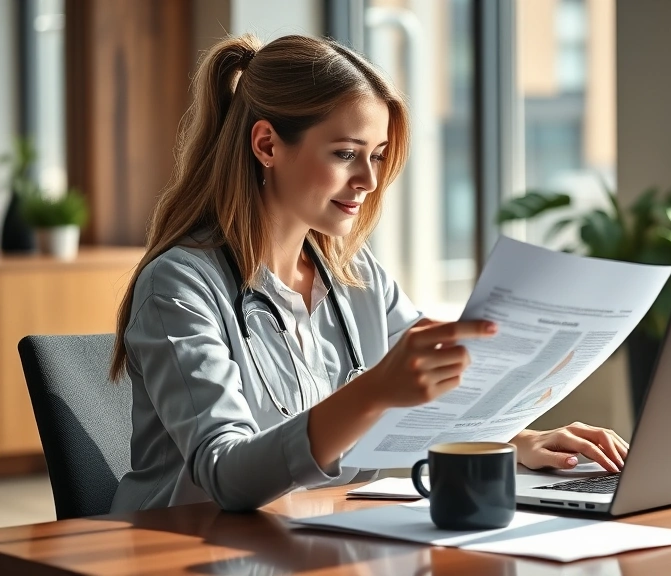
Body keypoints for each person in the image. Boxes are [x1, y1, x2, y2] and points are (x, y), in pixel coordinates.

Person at [108, 33, 629, 513]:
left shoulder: (358, 276)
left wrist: (517, 440)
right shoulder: (179, 286)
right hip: (188, 550)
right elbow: (226, 476)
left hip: (316, 540)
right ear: (267, 145)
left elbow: (434, 396)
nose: (368, 180)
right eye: (345, 154)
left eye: (377, 156)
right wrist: (375, 390)